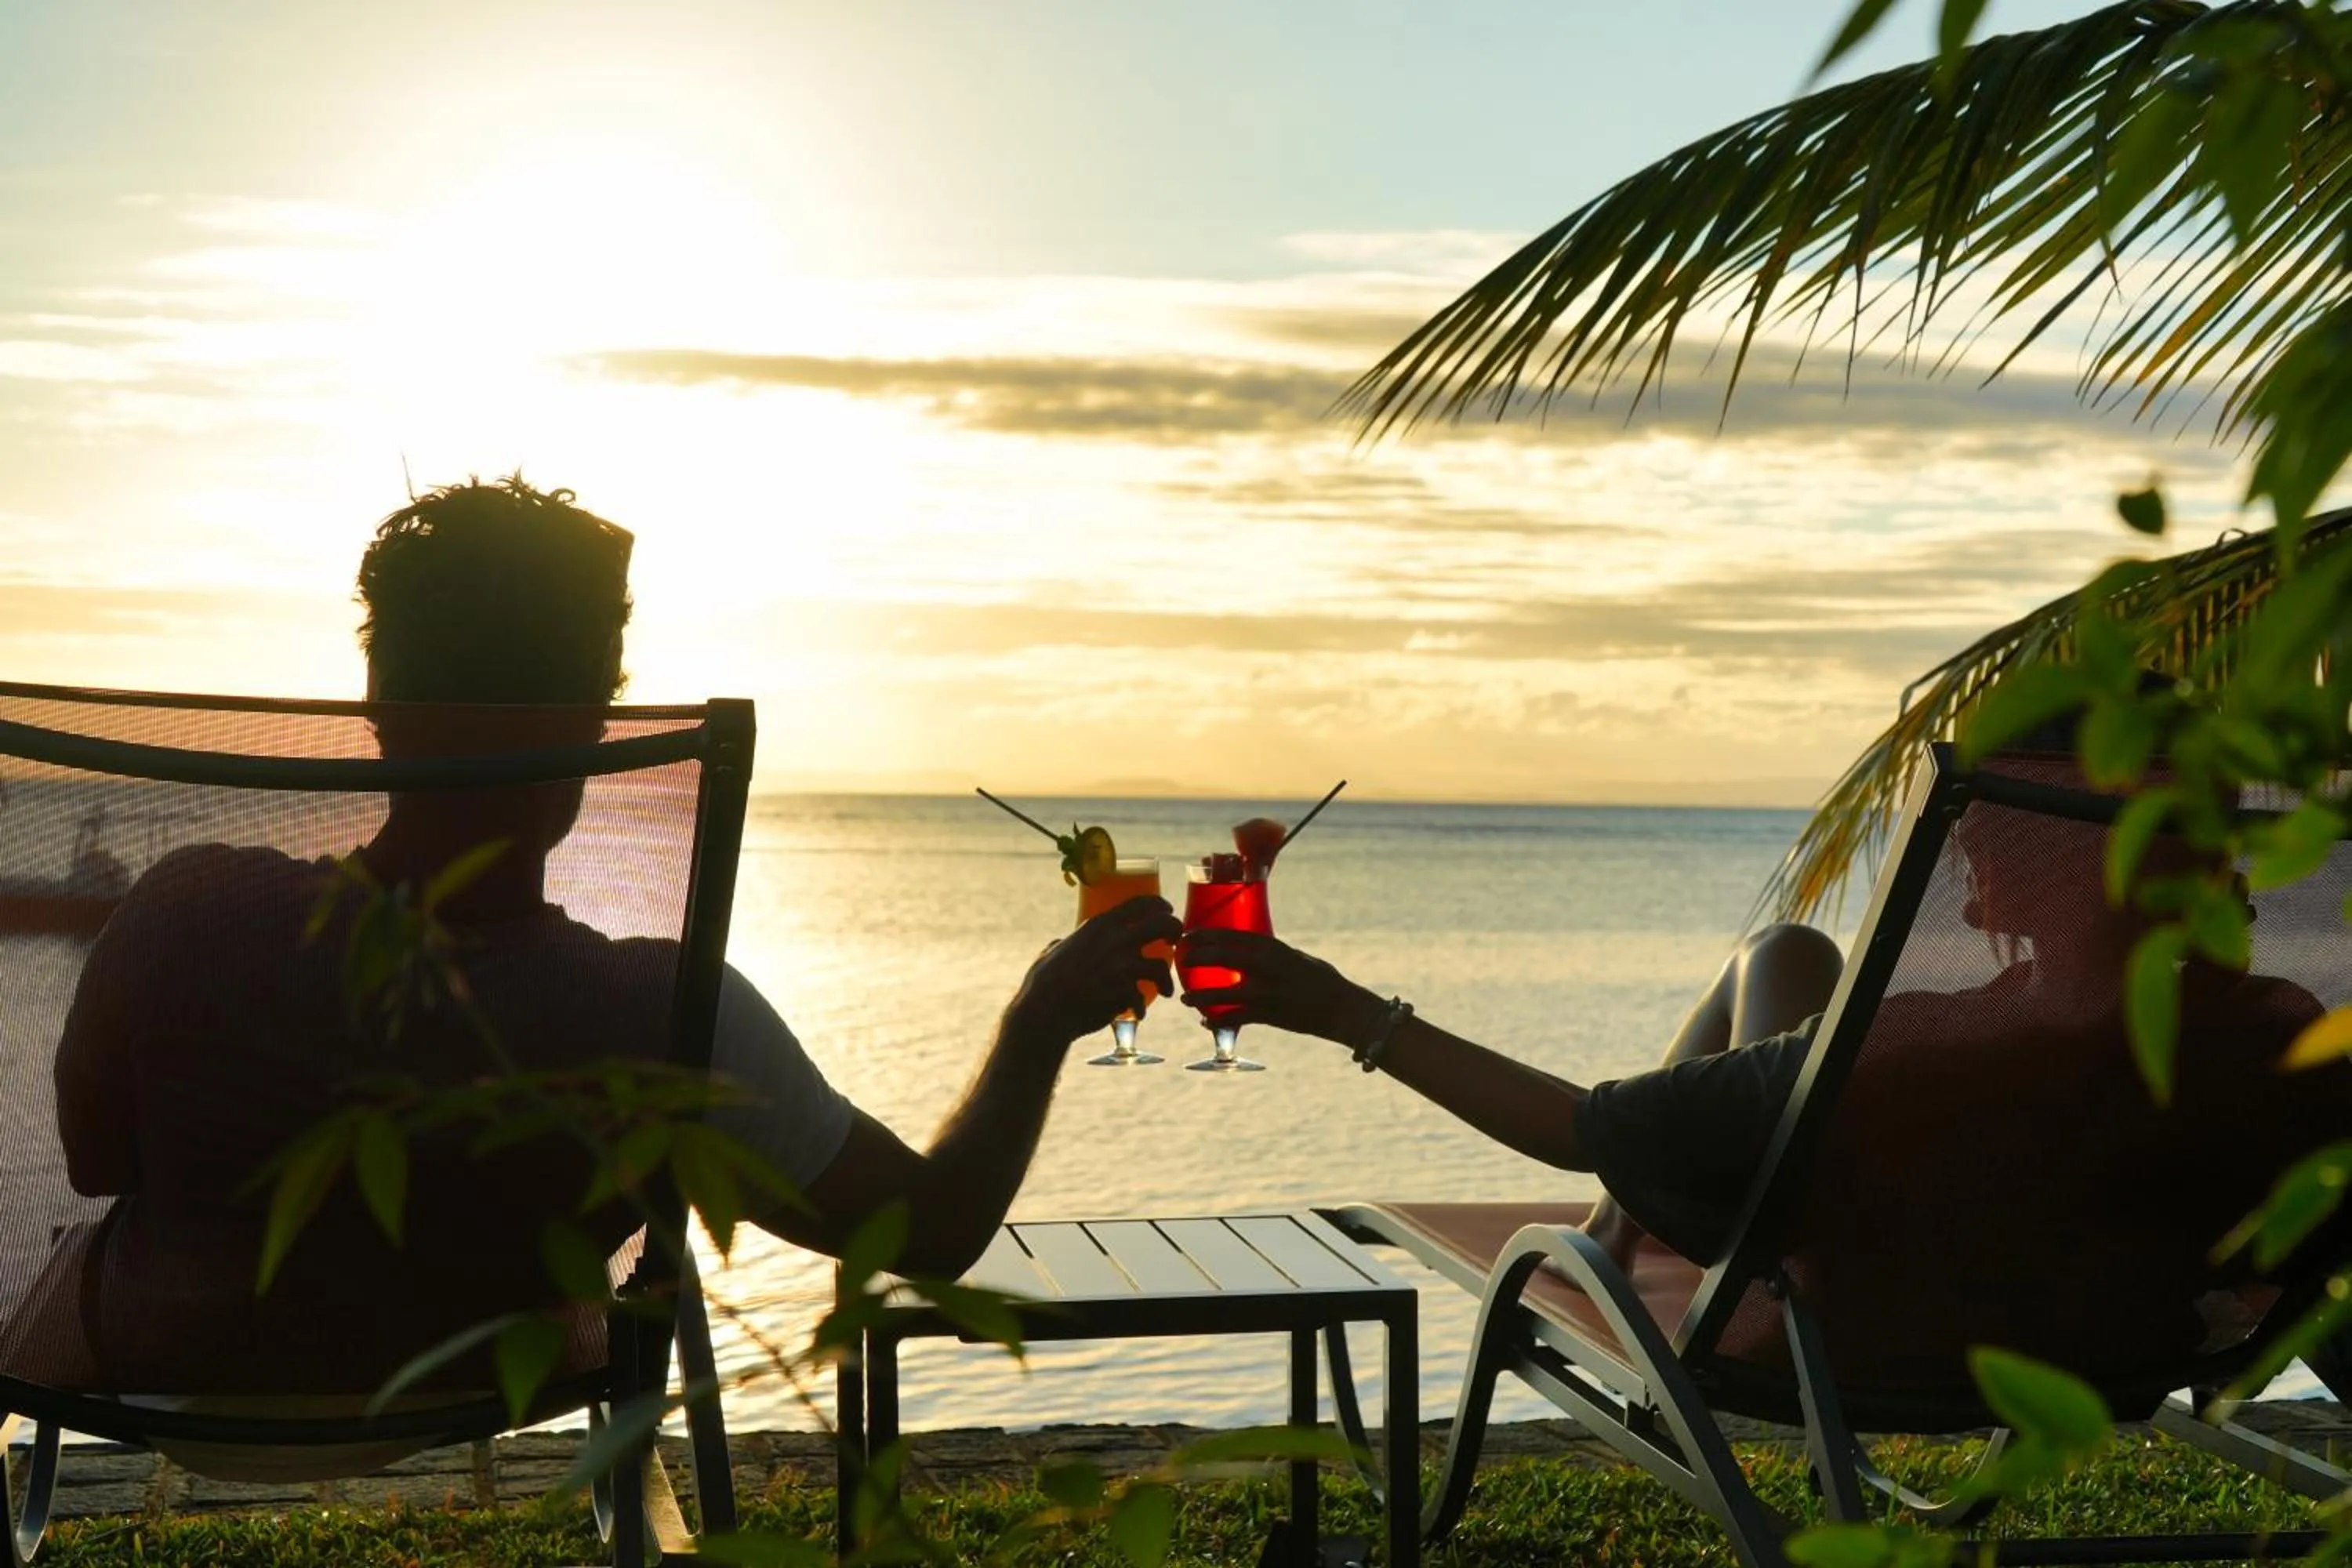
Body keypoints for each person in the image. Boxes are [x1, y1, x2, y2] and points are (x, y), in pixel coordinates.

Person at [20, 476, 1179, 1427]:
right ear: (601, 726)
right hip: (490, 1384)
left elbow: (93, 1164)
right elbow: (926, 1232)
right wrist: (1035, 1023)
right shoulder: (660, 1015)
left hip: (160, 1371)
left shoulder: (186, 910)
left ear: (374, 698)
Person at [1179, 720, 2352, 1376]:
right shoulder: (2282, 1035)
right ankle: (1611, 1227)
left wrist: (1348, 1014)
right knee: (1789, 957)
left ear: (2019, 871)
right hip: (2122, 1335)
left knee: (1752, 1025)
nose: (1963, 863)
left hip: (1855, 1340)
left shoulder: (1916, 1053)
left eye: (1983, 840)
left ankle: (1606, 1240)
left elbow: (1569, 1128)